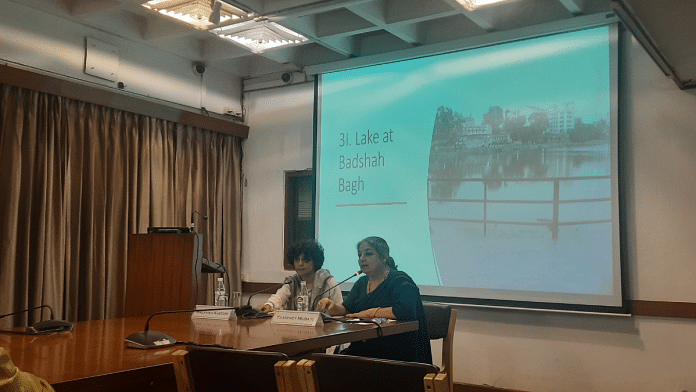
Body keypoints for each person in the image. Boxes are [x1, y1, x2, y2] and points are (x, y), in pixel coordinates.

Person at [316, 236, 432, 364]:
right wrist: (332, 307)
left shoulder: (400, 280)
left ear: (384, 257)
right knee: (324, 364)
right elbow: (347, 309)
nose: (362, 259)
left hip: (398, 354)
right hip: (365, 350)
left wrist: (370, 312)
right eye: (360, 255)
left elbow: (406, 311)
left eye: (369, 254)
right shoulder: (362, 282)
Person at [258, 239, 343, 312]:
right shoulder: (291, 282)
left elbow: (340, 311)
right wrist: (269, 305)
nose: (300, 264)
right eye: (297, 259)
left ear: (315, 262)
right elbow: (279, 298)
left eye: (306, 260)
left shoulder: (328, 282)